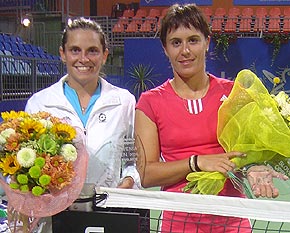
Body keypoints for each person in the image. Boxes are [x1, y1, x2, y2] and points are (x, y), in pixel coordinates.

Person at [134, 4, 287, 233]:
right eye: (176, 42)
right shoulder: (150, 102)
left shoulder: (234, 94)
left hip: (232, 220)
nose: (185, 51)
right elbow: (146, 175)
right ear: (165, 49)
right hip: (178, 224)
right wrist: (195, 162)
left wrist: (255, 167)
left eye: (193, 40)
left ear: (207, 41)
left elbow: (245, 153)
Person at [25, 17, 140, 232]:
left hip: (108, 215)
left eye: (93, 51)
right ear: (62, 53)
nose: (83, 58)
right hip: (54, 219)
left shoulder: (124, 102)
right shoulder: (39, 104)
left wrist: (128, 181)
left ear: (105, 55)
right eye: (75, 50)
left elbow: (133, 160)